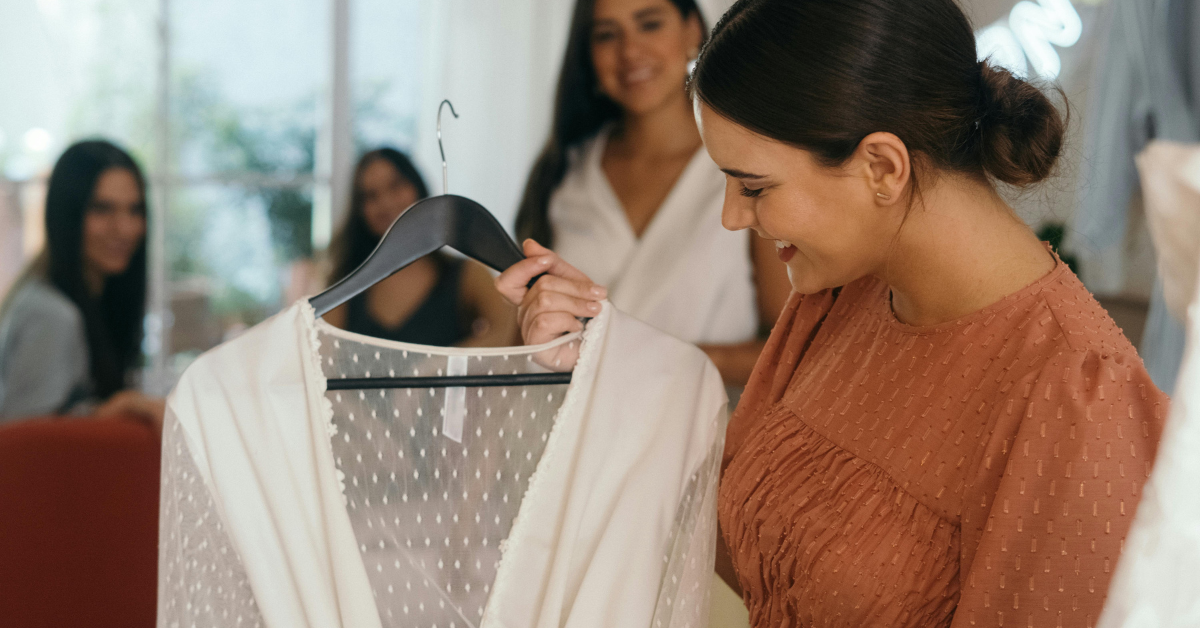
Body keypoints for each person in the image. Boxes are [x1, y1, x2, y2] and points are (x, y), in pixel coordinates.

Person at [495, 0, 1170, 626]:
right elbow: (746, 546)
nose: (732, 217)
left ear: (882, 167)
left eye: (753, 186)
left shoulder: (1081, 399)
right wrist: (599, 344)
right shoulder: (838, 294)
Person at [515, 0, 791, 387]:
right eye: (606, 35)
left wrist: (635, 358)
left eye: (650, 24)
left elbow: (791, 351)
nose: (630, 51)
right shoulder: (561, 174)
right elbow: (525, 334)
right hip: (570, 421)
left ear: (692, 30)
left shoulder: (750, 169)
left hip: (709, 423)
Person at [0, 140, 163, 425]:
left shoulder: (92, 303)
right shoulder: (51, 314)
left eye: (135, 210)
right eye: (102, 209)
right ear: (67, 215)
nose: (124, 228)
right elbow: (22, 440)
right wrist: (116, 410)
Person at [323, 148, 517, 347]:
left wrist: (445, 360)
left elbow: (509, 333)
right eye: (371, 196)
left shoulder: (465, 273)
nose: (386, 202)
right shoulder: (345, 286)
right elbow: (322, 354)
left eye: (395, 185)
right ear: (360, 211)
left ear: (416, 185)